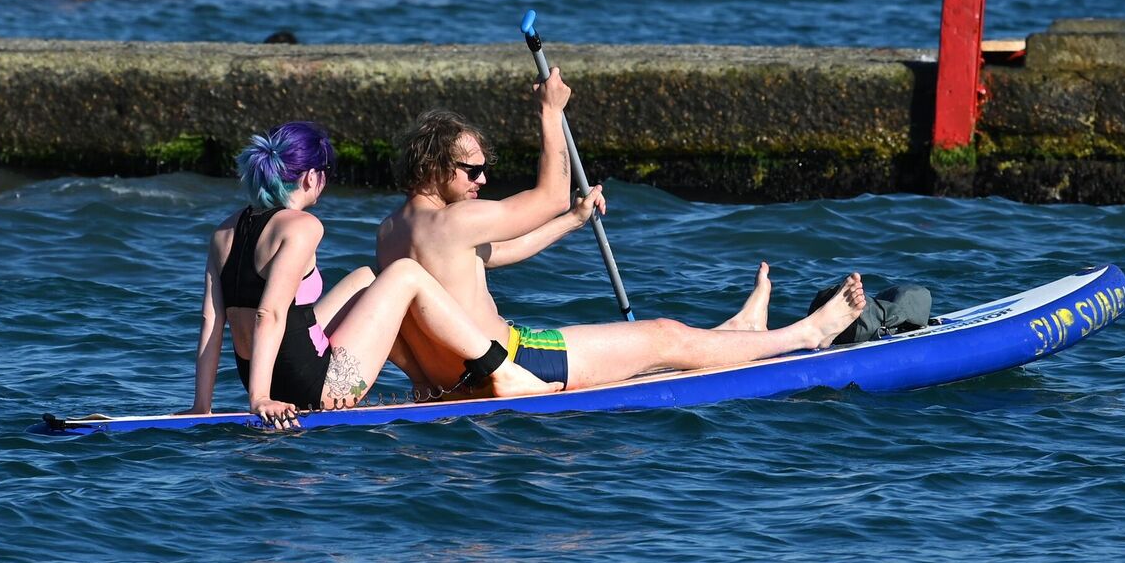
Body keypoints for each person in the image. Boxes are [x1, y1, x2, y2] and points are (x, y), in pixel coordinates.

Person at [374, 88, 867, 396]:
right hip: (518, 361)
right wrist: (549, 114)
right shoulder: (456, 220)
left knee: (661, 350)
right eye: (473, 170)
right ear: (437, 167)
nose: (482, 179)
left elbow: (492, 256)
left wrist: (572, 220)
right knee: (662, 336)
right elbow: (546, 195)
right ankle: (807, 334)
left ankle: (740, 331)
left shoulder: (392, 232)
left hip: (454, 383)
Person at [195, 122, 555, 422]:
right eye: (327, 174)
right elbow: (269, 313)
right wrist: (260, 399)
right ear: (309, 178)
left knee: (370, 277)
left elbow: (212, 321)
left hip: (271, 376)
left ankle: (427, 389)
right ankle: (501, 370)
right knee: (405, 273)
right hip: (316, 389)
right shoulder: (301, 226)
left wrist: (202, 407)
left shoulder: (224, 232)